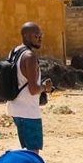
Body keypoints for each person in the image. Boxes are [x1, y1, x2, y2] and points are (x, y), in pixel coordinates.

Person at [6, 22, 52, 154]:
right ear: (26, 35)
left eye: (41, 35)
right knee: (33, 152)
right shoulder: (30, 57)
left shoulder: (15, 52)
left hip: (15, 108)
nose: (40, 38)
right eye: (37, 35)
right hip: (28, 111)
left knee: (27, 150)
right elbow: (33, 90)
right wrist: (45, 87)